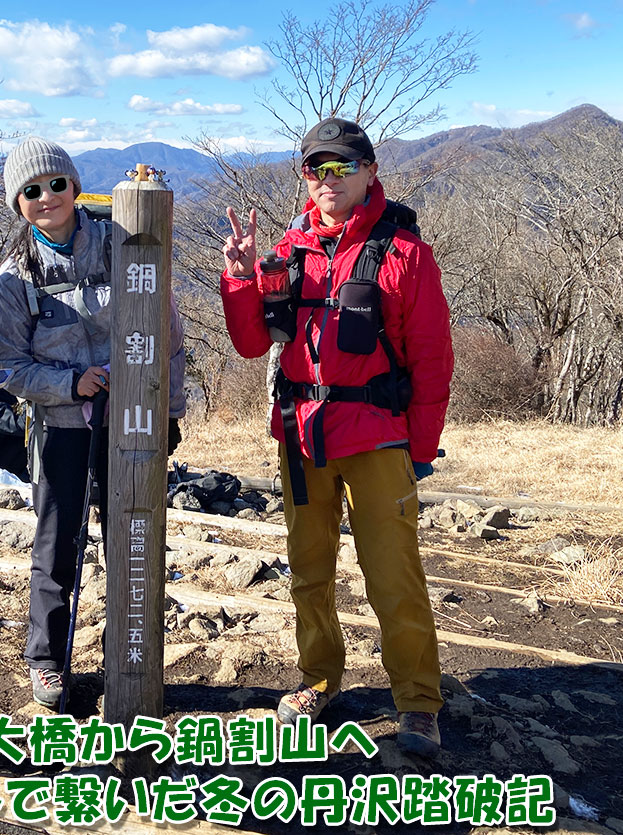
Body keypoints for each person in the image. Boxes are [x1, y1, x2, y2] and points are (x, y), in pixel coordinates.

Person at [219, 117, 453, 757]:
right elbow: (250, 343)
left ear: (371, 171)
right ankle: (317, 679)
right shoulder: (289, 250)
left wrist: (422, 448)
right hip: (302, 435)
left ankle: (418, 701)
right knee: (309, 569)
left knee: (392, 575)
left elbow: (432, 359)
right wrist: (241, 278)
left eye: (343, 166)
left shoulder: (404, 253)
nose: (329, 180)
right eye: (316, 169)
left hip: (377, 436)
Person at [0, 136, 187, 710]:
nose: (46, 197)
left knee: (131, 534)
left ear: (74, 186)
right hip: (61, 429)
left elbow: (167, 334)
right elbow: (9, 369)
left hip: (134, 421)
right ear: (17, 203)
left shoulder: (123, 244)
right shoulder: (15, 278)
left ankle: (131, 654)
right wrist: (68, 384)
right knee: (57, 543)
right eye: (31, 191)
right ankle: (48, 661)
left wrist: (168, 412)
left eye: (56, 184)